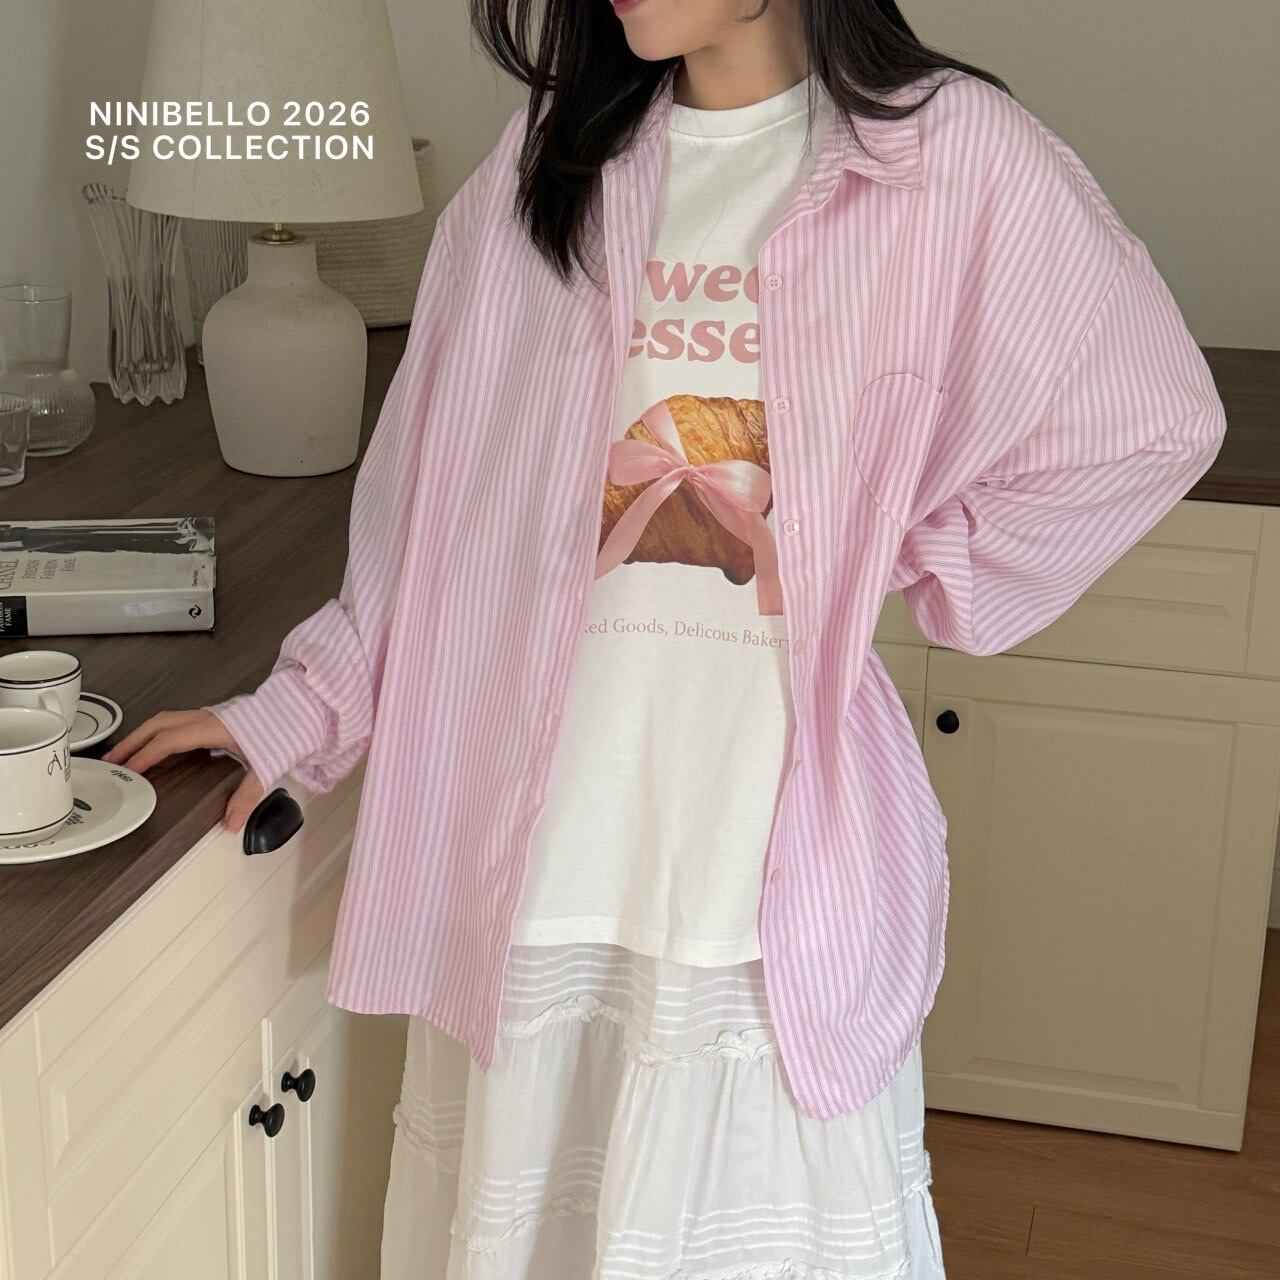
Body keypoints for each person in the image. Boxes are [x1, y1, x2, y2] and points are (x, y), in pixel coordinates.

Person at [103, 0, 1228, 1274]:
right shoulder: (550, 159)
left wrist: (903, 547)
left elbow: (1146, 418)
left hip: (757, 870)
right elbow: (433, 499)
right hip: (542, 853)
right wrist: (298, 706)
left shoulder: (949, 155)